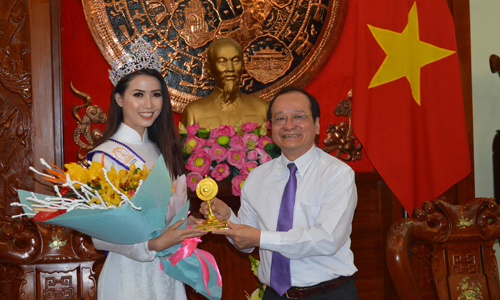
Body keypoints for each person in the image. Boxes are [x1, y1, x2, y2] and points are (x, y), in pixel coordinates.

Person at [201, 87, 359, 299]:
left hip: (328, 293)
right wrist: (228, 217)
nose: (289, 125)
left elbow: (326, 240)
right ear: (271, 127)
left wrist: (260, 238)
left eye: (298, 116)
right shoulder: (257, 177)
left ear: (318, 124)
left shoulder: (338, 174)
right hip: (274, 295)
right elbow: (246, 244)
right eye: (280, 119)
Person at [88, 37, 206, 300]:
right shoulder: (103, 157)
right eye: (138, 95)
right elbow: (99, 237)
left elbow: (165, 215)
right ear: (119, 98)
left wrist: (184, 224)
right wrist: (152, 244)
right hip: (126, 275)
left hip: (166, 272)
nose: (149, 105)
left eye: (156, 95)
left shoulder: (162, 150)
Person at [180, 37, 269, 128]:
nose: (230, 68)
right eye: (222, 62)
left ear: (243, 66)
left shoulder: (263, 109)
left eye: (235, 61)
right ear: (209, 69)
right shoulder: (193, 112)